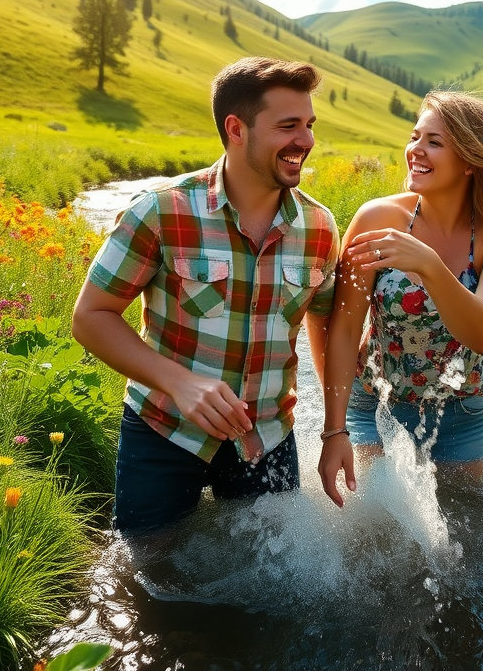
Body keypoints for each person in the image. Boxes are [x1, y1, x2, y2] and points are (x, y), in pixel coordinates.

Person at [72, 57, 339, 533]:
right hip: (162, 431)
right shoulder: (160, 211)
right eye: (288, 125)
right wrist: (178, 382)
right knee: (149, 575)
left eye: (309, 124)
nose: (306, 140)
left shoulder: (320, 227)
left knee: (269, 591)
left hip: (268, 436)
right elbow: (92, 315)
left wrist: (336, 427)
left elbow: (326, 321)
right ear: (236, 128)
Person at [317, 89, 483, 507]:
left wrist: (430, 266)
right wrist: (334, 431)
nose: (415, 150)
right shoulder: (376, 218)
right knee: (371, 536)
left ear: (471, 162)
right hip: (373, 409)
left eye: (434, 142)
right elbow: (344, 328)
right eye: (415, 137)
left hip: (462, 415)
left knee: (473, 539)